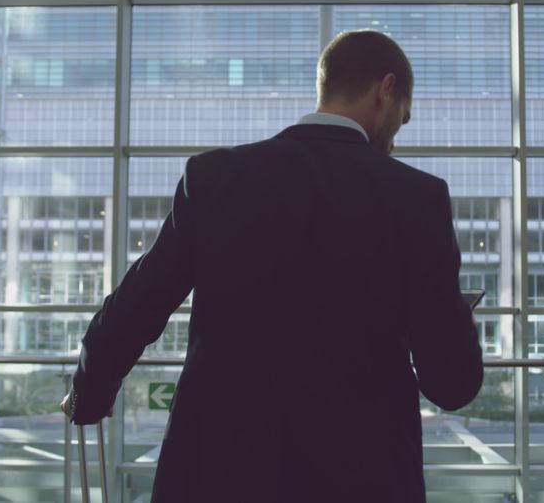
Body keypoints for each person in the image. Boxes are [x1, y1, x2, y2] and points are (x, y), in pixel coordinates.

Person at [62, 30, 483, 502]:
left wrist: (87, 395)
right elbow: (450, 382)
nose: (393, 140)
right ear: (385, 90)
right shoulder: (418, 198)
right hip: (361, 476)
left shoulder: (215, 177)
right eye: (401, 121)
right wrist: (460, 324)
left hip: (220, 474)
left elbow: (137, 306)